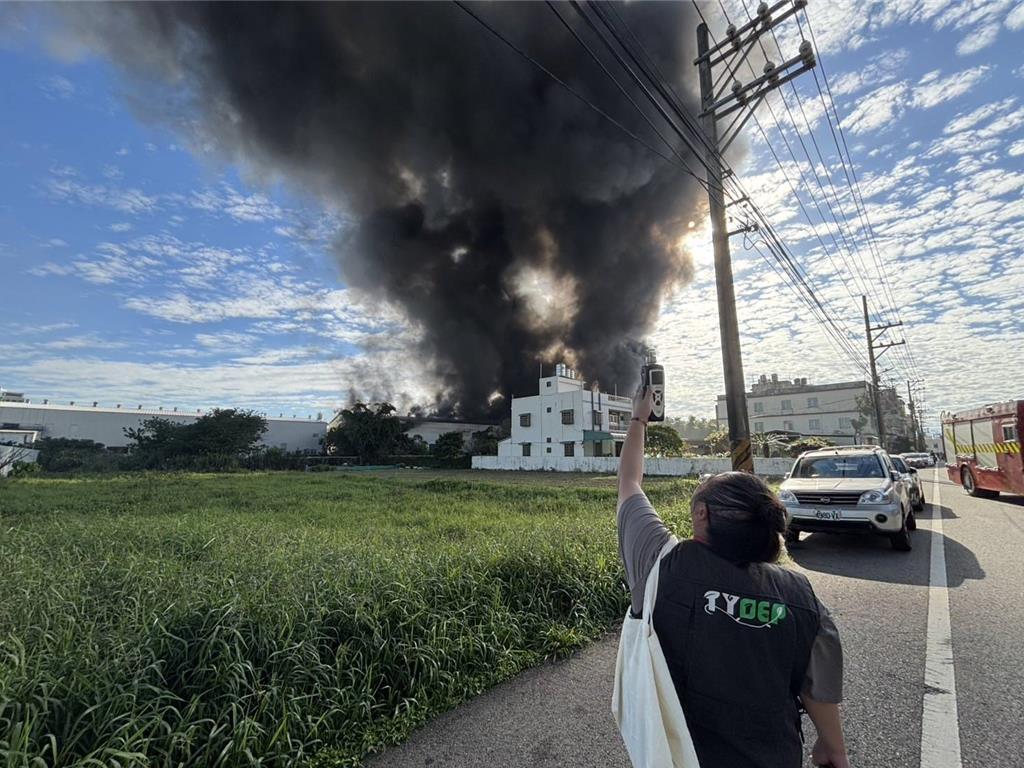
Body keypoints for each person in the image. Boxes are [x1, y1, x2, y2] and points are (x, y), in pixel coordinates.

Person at [617, 387, 850, 768]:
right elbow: (817, 687)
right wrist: (833, 747)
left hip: (675, 755)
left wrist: (639, 419)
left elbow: (629, 483)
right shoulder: (800, 595)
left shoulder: (660, 565)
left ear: (703, 514)